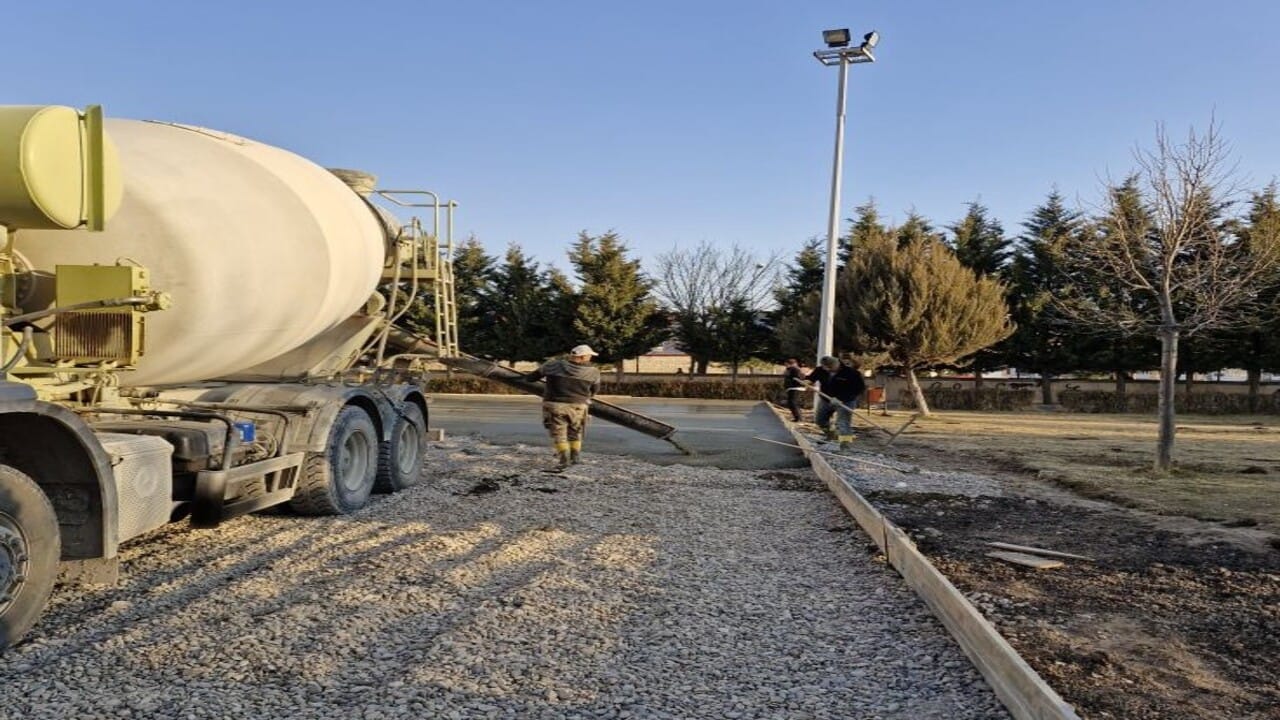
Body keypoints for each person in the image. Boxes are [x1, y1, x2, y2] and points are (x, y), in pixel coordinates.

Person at [525, 344, 602, 469]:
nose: (590, 358)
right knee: (576, 431)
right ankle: (575, 458)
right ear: (582, 357)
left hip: (554, 405)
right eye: (589, 356)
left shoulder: (552, 365)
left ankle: (563, 460)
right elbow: (594, 390)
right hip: (578, 405)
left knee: (559, 433)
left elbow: (530, 378)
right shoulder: (593, 372)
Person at [805, 355, 866, 449]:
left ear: (837, 363)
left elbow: (859, 389)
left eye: (830, 368)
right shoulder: (820, 370)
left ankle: (845, 444)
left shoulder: (851, 373)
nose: (828, 370)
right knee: (820, 420)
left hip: (846, 401)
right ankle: (830, 434)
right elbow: (812, 377)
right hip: (826, 399)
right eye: (826, 368)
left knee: (843, 423)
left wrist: (842, 398)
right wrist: (808, 382)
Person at [782, 358, 805, 422]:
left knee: (792, 403)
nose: (785, 365)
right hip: (792, 387)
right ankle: (797, 417)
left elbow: (799, 378)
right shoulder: (792, 369)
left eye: (786, 364)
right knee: (792, 403)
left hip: (795, 387)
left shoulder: (795, 369)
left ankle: (798, 418)